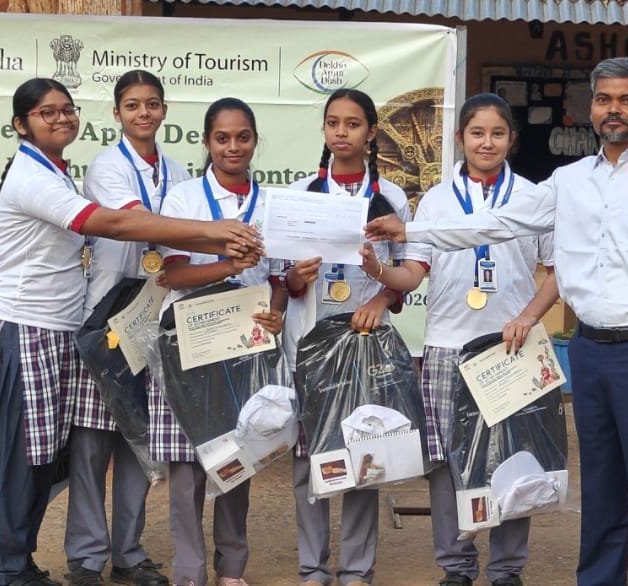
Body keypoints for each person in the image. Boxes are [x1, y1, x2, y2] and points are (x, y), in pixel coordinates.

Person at [365, 57, 628, 586]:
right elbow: (493, 224)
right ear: (589, 109)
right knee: (599, 482)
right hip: (589, 352)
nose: (614, 110)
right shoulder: (566, 182)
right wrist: (410, 231)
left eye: (626, 100)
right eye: (604, 99)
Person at [0, 78, 258, 586]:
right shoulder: (77, 171)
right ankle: (58, 561)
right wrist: (215, 233)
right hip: (72, 323)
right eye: (47, 112)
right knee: (54, 448)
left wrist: (222, 249)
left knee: (117, 443)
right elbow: (122, 224)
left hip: (142, 318)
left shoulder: (83, 171)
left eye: (66, 110)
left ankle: (118, 554)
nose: (61, 119)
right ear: (20, 125)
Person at [356, 92, 557, 586]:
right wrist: (379, 270)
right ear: (460, 138)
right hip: (447, 346)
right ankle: (456, 566)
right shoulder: (437, 201)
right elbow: (413, 274)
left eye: (497, 133)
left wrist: (528, 316)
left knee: (513, 456)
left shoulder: (534, 198)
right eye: (477, 133)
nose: (487, 143)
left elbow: (558, 272)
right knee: (445, 461)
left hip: (512, 347)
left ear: (511, 139)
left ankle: (506, 569)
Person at [149, 97, 284, 586]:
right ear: (207, 142)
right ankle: (190, 572)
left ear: (255, 140)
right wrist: (231, 265)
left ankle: (231, 569)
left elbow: (280, 280)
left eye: (242, 137)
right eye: (222, 138)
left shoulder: (271, 203)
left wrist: (278, 311)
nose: (233, 147)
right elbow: (173, 273)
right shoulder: (184, 199)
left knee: (237, 454)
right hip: (189, 342)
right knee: (186, 464)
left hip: (245, 344)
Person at [279, 88, 411, 586]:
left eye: (352, 124)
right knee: (307, 457)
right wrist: (296, 277)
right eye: (332, 122)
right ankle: (312, 567)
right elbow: (282, 279)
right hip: (310, 343)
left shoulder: (391, 198)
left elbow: (405, 274)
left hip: (364, 342)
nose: (341, 132)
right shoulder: (301, 193)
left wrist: (382, 298)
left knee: (363, 449)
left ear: (371, 132)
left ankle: (356, 569)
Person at [64, 70, 188, 586]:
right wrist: (202, 229)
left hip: (155, 316)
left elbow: (181, 240)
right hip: (108, 317)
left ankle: (129, 553)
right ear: (117, 113)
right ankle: (86, 556)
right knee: (92, 442)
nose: (143, 113)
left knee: (141, 435)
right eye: (133, 105)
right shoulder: (106, 166)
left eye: (152, 104)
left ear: (164, 111)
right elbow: (140, 221)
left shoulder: (178, 170)